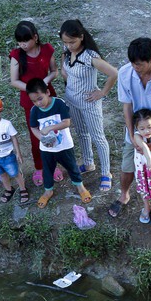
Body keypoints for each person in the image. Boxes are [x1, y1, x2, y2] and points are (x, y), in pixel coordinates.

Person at [109, 37, 151, 231]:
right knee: (127, 167)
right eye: (132, 63)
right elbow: (127, 107)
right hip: (136, 131)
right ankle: (124, 194)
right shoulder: (125, 73)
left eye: (139, 64)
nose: (135, 67)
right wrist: (133, 138)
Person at [59, 19, 118, 192]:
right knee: (81, 133)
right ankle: (88, 162)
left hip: (89, 103)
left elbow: (114, 73)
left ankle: (106, 173)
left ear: (82, 37)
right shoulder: (67, 51)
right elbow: (64, 69)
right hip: (72, 101)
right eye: (66, 42)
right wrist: (69, 82)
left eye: (72, 42)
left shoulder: (90, 56)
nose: (69, 45)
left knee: (98, 137)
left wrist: (102, 92)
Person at [8, 20, 62, 186]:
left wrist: (45, 81)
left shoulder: (47, 50)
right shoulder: (17, 56)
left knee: (54, 132)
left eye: (26, 40)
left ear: (36, 37)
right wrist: (33, 91)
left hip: (48, 98)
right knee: (35, 135)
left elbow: (54, 71)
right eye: (20, 41)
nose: (23, 44)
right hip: (30, 102)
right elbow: (14, 81)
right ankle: (40, 167)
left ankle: (54, 165)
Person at [26, 79, 92, 208]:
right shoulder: (34, 110)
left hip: (64, 145)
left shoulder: (59, 104)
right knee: (47, 170)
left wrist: (49, 128)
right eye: (34, 101)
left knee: (72, 166)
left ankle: (80, 186)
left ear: (48, 92)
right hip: (47, 149)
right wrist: (42, 138)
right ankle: (48, 191)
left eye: (40, 98)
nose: (38, 103)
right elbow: (33, 128)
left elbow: (66, 122)